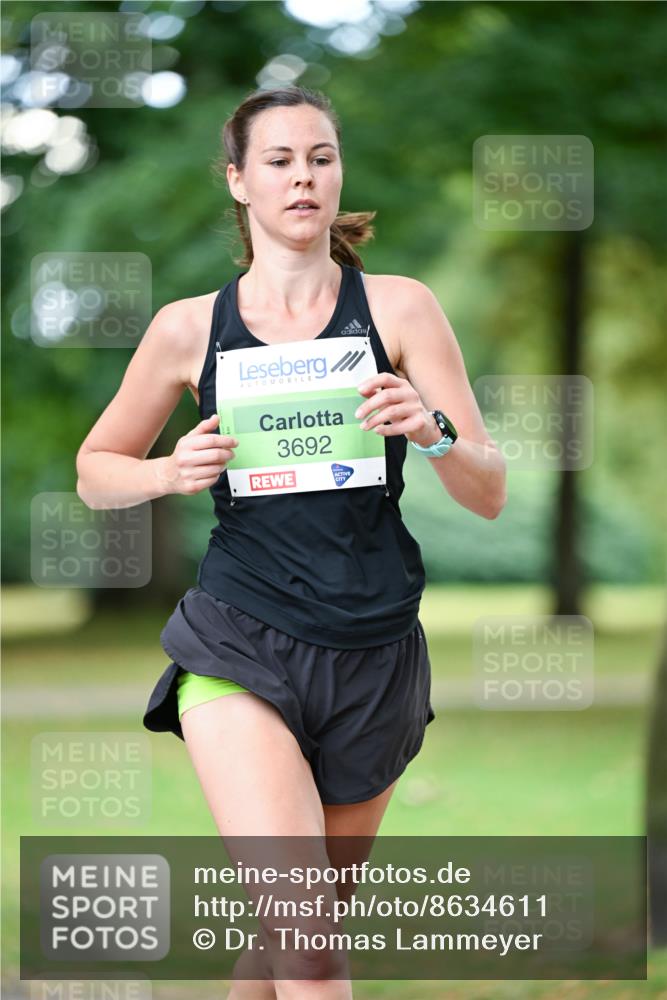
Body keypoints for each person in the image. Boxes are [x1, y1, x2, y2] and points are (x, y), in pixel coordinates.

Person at [76, 85, 506, 999]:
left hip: (375, 648)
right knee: (308, 941)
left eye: (320, 157)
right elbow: (94, 469)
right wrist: (167, 470)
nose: (303, 177)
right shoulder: (188, 328)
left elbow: (488, 491)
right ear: (238, 182)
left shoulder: (400, 308)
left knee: (292, 933)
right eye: (278, 161)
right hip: (241, 636)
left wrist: (427, 431)